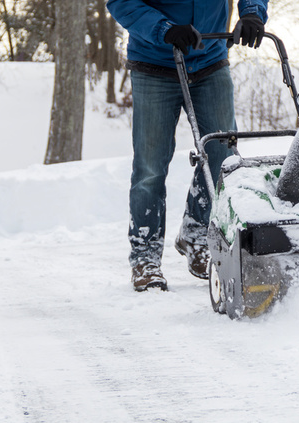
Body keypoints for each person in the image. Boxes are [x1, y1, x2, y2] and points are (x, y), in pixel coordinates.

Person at [106, 0, 269, 291]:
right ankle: (145, 257)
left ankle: (195, 234)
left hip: (210, 60)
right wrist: (164, 29)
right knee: (150, 167)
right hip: (154, 62)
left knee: (222, 157)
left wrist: (252, 13)